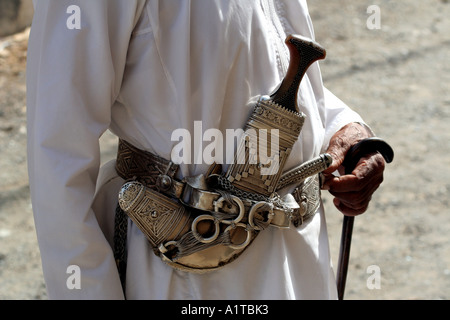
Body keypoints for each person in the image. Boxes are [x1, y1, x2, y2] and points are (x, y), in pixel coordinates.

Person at [27, 0, 386, 299]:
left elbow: (266, 64)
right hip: (183, 261)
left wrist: (343, 128)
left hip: (299, 256)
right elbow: (57, 154)